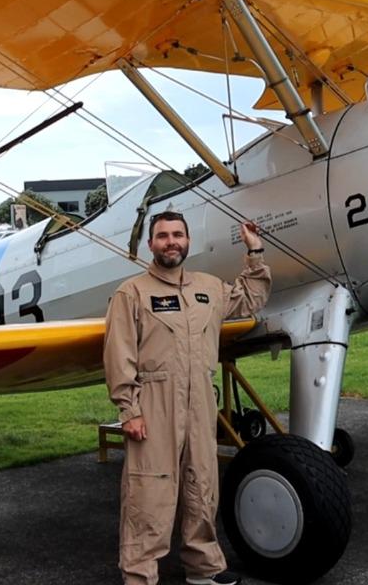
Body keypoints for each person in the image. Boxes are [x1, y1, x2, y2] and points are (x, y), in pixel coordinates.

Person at [104, 211, 271, 585]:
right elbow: (119, 356)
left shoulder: (208, 288)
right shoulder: (131, 293)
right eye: (162, 236)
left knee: (201, 483)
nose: (171, 242)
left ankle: (203, 568)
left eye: (178, 234)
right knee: (150, 490)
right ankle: (140, 576)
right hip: (154, 401)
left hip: (199, 401)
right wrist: (129, 410)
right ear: (151, 245)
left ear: (188, 241)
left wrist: (255, 251)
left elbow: (249, 299)